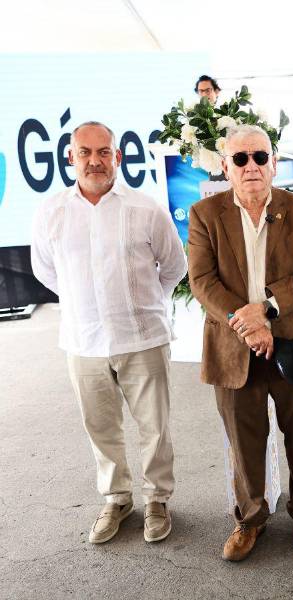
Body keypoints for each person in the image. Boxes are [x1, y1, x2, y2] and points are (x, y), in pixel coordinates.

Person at [31, 121, 187, 544]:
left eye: (104, 152)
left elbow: (174, 265)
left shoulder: (145, 208)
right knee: (100, 426)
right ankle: (117, 498)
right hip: (83, 341)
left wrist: (147, 301)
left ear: (118, 157)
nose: (95, 160)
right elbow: (45, 269)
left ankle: (157, 499)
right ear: (70, 157)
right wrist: (82, 302)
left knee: (155, 427)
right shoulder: (52, 212)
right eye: (85, 152)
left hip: (142, 337)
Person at [188, 124, 293, 561]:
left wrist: (265, 310)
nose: (252, 166)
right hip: (234, 347)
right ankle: (250, 520)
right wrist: (245, 323)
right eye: (240, 159)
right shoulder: (205, 214)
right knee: (244, 441)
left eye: (260, 157)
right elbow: (202, 281)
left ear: (273, 161)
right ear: (227, 168)